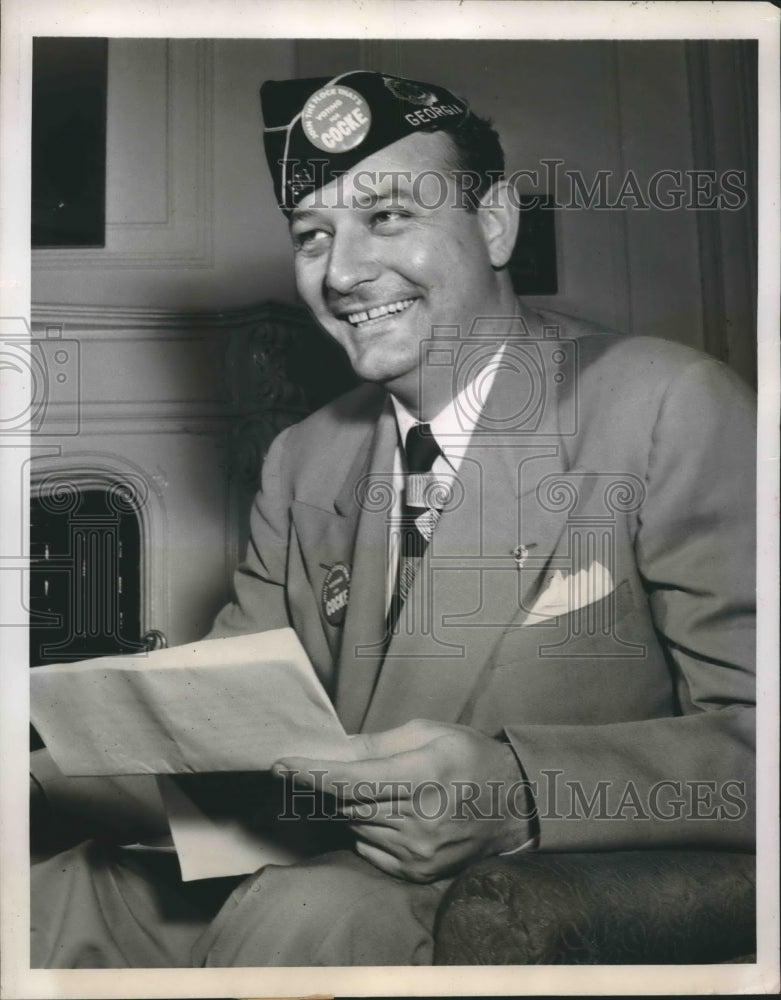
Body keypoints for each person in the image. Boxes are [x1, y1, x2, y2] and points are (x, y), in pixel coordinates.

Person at [30, 70, 756, 967]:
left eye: (387, 217)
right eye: (312, 236)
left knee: (310, 915)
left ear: (493, 223)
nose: (341, 273)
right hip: (301, 854)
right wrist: (36, 770)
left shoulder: (663, 405)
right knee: (50, 897)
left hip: (508, 889)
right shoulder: (306, 456)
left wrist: (523, 792)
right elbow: (217, 728)